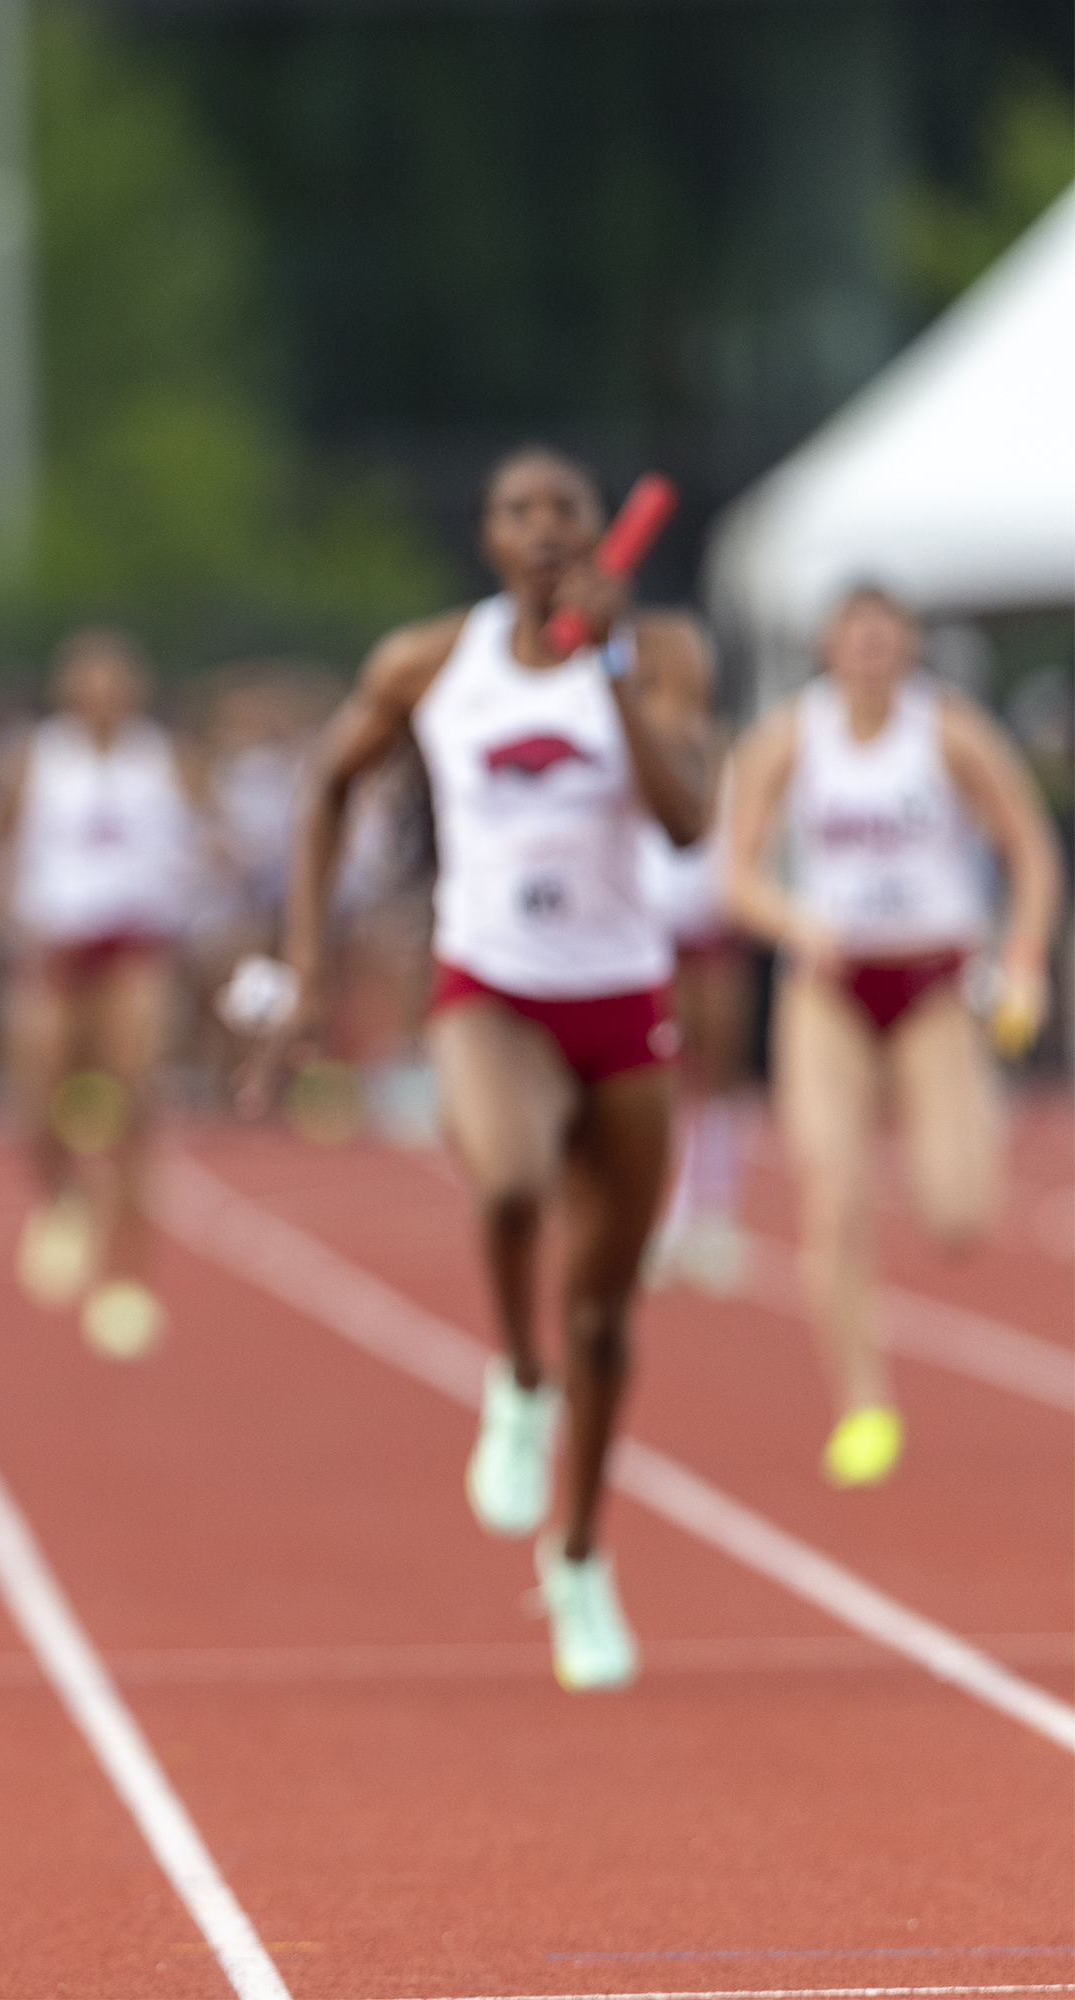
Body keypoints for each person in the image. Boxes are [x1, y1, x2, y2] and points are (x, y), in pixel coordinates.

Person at [261, 446, 713, 1693]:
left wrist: (611, 671)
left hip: (621, 999)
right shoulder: (429, 662)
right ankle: (518, 1377)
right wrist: (304, 961)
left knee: (610, 1316)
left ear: (598, 531)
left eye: (569, 507)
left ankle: (577, 1559)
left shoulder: (660, 655)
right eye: (522, 510)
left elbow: (687, 820)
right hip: (490, 985)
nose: (549, 526)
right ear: (493, 539)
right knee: (510, 1182)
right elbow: (327, 787)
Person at [716, 584, 1059, 1488]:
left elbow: (1029, 846)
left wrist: (1023, 956)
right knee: (831, 1194)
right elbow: (736, 875)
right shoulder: (791, 736)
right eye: (855, 639)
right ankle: (863, 1401)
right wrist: (795, 923)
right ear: (831, 648)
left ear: (907, 647)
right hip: (829, 988)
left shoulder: (947, 733)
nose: (870, 654)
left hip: (933, 985)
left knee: (957, 1216)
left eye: (885, 639)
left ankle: (950, 1127)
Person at [0, 628, 204, 1353]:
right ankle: (62, 1199)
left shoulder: (166, 757)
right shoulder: (33, 757)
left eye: (116, 685)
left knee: (134, 1109)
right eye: (90, 685)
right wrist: (3, 917)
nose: (104, 699)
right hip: (54, 945)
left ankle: (127, 1281)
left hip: (134, 948)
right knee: (34, 1098)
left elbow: (212, 836)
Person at [637, 759, 751, 1294]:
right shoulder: (636, 754)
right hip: (652, 938)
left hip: (713, 933)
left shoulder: (731, 768)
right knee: (661, 1078)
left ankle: (716, 1211)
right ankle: (662, 1217)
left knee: (720, 1071)